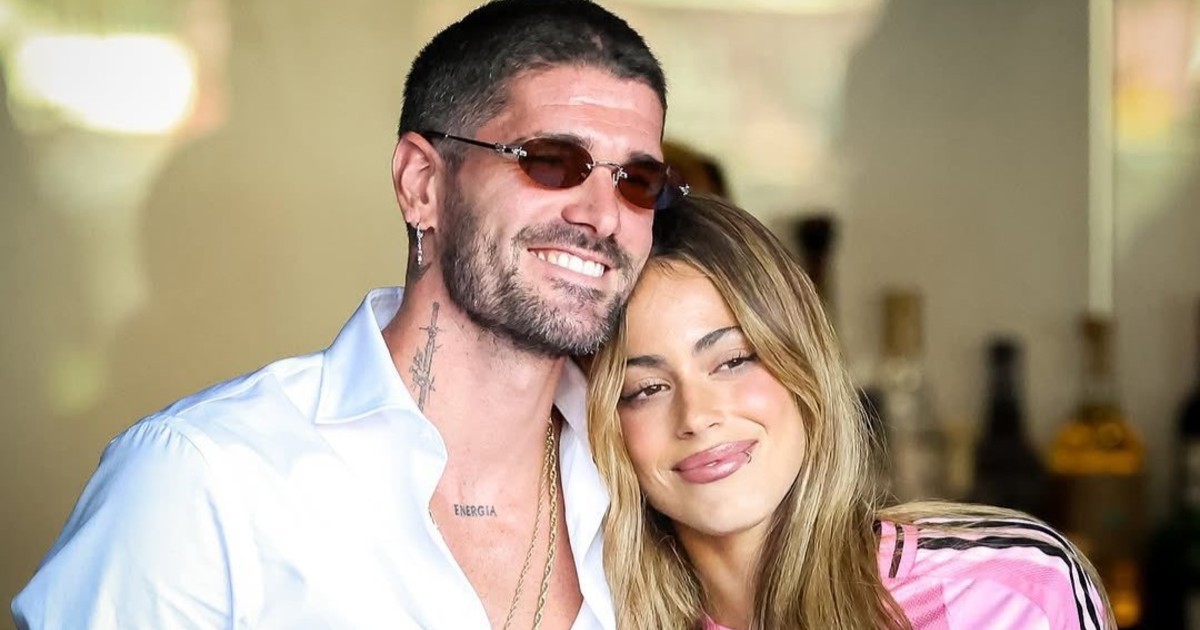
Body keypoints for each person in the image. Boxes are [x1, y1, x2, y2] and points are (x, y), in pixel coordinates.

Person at [12, 1, 689, 628]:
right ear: (422, 184)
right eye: (552, 161)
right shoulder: (203, 483)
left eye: (637, 182)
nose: (603, 216)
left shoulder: (656, 492)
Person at [586, 194, 1113, 630]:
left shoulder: (1009, 592)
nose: (696, 416)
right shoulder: (595, 617)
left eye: (733, 361)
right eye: (646, 389)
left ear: (804, 367)